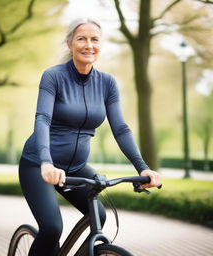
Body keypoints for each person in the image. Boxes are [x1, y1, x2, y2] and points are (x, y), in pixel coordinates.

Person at [19, 17, 161, 256]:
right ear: (70, 44)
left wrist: (143, 168)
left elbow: (121, 129)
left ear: (100, 45)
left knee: (99, 215)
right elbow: (42, 119)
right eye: (81, 39)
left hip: (76, 167)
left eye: (95, 40)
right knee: (52, 228)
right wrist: (46, 163)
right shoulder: (53, 76)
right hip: (39, 165)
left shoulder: (107, 83)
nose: (89, 45)